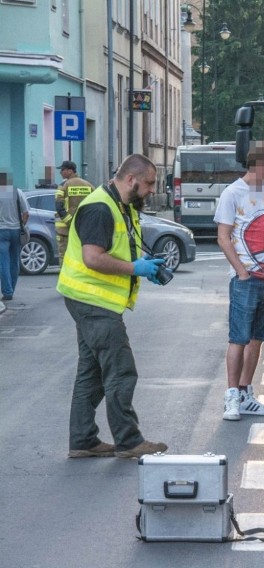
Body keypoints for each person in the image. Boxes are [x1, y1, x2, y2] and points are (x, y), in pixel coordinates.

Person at [56, 154, 169, 459]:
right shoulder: (99, 207)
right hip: (93, 301)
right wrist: (136, 269)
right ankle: (129, 441)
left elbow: (119, 248)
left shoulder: (120, 204)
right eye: (147, 184)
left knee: (91, 374)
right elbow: (93, 257)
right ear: (131, 179)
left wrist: (143, 266)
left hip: (91, 299)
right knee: (121, 370)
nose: (149, 190)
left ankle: (82, 440)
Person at [214, 141, 264, 421]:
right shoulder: (233, 193)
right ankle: (232, 395)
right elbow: (223, 237)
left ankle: (245, 393)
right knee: (239, 338)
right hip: (246, 278)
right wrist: (241, 271)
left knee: (257, 339)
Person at [55, 160, 94, 266]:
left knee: (65, 257)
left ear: (70, 171)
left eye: (62, 170)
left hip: (65, 230)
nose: (60, 173)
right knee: (80, 257)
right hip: (83, 230)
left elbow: (59, 206)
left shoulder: (63, 185)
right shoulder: (88, 185)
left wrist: (70, 222)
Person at [0, 173, 29, 302]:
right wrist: (22, 225)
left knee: (3, 261)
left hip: (2, 231)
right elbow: (26, 213)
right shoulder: (18, 192)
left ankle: (7, 292)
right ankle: (12, 288)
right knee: (15, 261)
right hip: (16, 230)